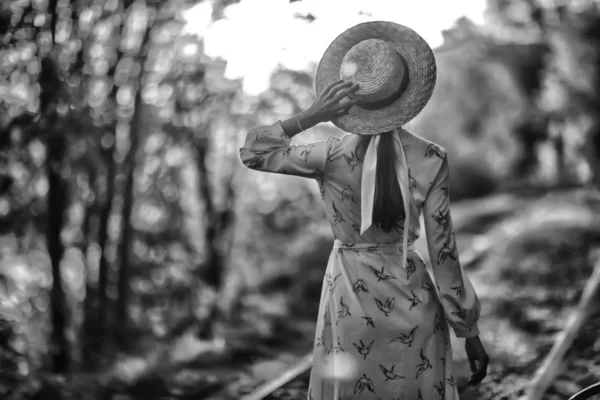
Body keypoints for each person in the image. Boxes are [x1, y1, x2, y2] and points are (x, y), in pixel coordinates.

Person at [239, 21, 489, 400]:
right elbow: (444, 252)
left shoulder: (328, 155)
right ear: (406, 92)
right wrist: (468, 332)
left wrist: (310, 116)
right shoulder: (431, 158)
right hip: (413, 304)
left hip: (349, 305)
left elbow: (253, 152)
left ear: (350, 100)